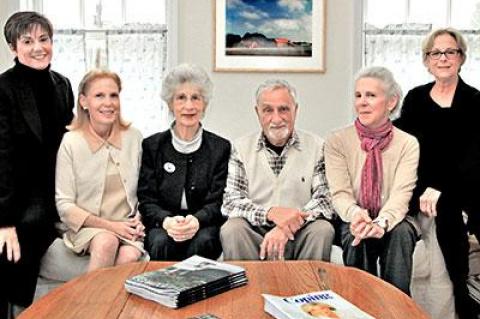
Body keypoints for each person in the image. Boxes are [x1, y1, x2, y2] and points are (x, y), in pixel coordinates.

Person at [394, 28, 479, 318]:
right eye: (435, 53)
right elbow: (403, 145)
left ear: (461, 58)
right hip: (424, 184)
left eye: (450, 52)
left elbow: (473, 159)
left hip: (463, 185)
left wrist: (441, 187)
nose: (443, 58)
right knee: (446, 212)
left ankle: (463, 298)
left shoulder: (476, 101)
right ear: (427, 60)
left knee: (450, 208)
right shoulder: (416, 99)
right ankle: (462, 300)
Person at [0, 11, 74, 317]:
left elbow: (72, 145)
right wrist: (4, 222)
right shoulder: (3, 89)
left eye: (44, 39)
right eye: (27, 41)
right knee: (15, 250)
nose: (38, 47)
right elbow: (1, 157)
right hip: (17, 199)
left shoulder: (63, 84)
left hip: (56, 193)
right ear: (13, 48)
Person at [324, 66, 419, 295]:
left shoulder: (407, 143)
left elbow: (401, 195)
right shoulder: (337, 141)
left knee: (402, 233)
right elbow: (340, 194)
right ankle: (360, 305)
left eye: (371, 95)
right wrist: (358, 216)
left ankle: (396, 309)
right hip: (352, 218)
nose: (362, 102)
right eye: (358, 96)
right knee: (357, 236)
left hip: (393, 219)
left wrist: (382, 222)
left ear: (391, 101)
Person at [220, 79, 335, 261]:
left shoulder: (317, 146)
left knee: (322, 229)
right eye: (268, 110)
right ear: (257, 112)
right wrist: (270, 214)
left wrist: (286, 226)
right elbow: (231, 202)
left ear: (295, 110)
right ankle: (247, 289)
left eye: (284, 109)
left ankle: (309, 288)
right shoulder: (240, 147)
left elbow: (324, 201)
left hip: (300, 232)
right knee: (232, 229)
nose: (276, 118)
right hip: (256, 232)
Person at [137, 64, 230, 261]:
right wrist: (166, 221)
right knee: (160, 242)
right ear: (170, 104)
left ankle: (199, 292)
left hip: (204, 224)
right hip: (163, 224)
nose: (189, 106)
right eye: (181, 98)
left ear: (204, 104)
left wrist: (197, 220)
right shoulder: (153, 146)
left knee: (203, 242)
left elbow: (219, 199)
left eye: (195, 98)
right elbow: (147, 199)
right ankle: (161, 292)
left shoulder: (220, 147)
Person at [55, 69, 145, 272]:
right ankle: (89, 304)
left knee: (130, 255)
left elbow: (146, 191)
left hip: (127, 226)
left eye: (113, 95)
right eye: (99, 96)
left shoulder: (134, 137)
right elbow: (64, 205)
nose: (108, 103)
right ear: (84, 102)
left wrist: (139, 220)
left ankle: (111, 305)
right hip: (89, 227)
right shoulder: (71, 142)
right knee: (106, 241)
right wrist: (112, 226)